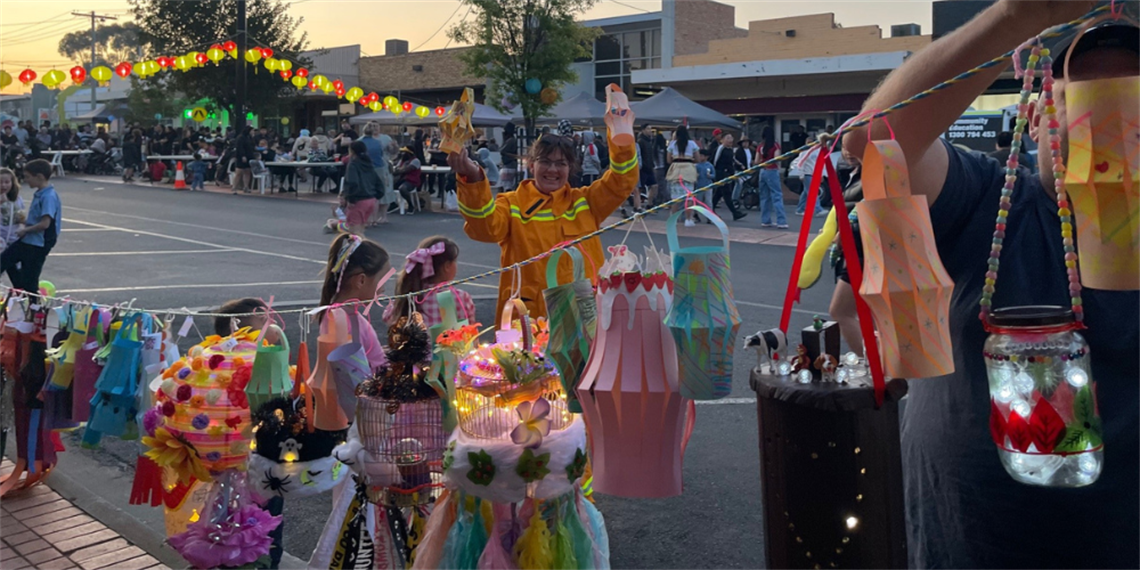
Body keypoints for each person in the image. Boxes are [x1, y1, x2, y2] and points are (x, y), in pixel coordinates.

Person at [841, 3, 1139, 568]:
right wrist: (1019, 16)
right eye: (1086, 103)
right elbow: (878, 141)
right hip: (970, 546)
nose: (1110, 131)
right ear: (1037, 117)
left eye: (1131, 102)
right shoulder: (989, 200)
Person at [449, 120, 639, 318]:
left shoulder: (587, 202)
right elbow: (484, 228)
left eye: (561, 164)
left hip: (584, 317)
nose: (552, 170)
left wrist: (621, 132)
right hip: (530, 318)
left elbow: (622, 180)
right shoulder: (512, 204)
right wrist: (472, 179)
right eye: (545, 162)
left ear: (570, 168)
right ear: (532, 165)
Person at [318, 233, 391, 371]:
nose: (383, 288)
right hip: (368, 390)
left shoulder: (340, 315)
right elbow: (349, 373)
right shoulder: (343, 321)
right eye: (382, 280)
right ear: (361, 280)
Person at [383, 236, 476, 328]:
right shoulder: (460, 297)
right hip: (452, 342)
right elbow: (470, 329)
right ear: (447, 266)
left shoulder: (410, 295)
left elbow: (388, 317)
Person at [0, 159, 60, 292]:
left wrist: (25, 230)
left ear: (39, 177)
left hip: (37, 243)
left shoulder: (48, 196)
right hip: (28, 241)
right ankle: (26, 303)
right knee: (7, 263)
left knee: (29, 280)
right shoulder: (40, 194)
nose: (26, 180)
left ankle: (34, 308)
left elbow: (45, 223)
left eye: (27, 177)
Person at [340, 141, 382, 236]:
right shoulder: (369, 164)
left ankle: (359, 249)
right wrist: (377, 195)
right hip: (370, 199)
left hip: (358, 199)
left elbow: (353, 182)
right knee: (361, 228)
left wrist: (350, 198)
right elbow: (378, 182)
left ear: (352, 151)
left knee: (354, 231)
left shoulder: (353, 164)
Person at [790, 133, 835, 217]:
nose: (809, 143)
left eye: (811, 142)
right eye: (807, 142)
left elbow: (821, 163)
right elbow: (801, 163)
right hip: (807, 174)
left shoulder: (817, 151)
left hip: (814, 174)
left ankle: (800, 209)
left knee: (805, 193)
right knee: (812, 192)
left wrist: (822, 174)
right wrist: (801, 175)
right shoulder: (804, 152)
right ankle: (818, 209)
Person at [665, 125, 700, 225]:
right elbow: (697, 159)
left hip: (676, 168)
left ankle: (674, 219)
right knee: (689, 196)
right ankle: (688, 219)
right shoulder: (692, 143)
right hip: (688, 168)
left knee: (675, 197)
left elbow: (668, 160)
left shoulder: (672, 144)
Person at [756, 126, 787, 228]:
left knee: (764, 197)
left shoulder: (760, 146)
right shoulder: (775, 145)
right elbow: (777, 158)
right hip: (772, 171)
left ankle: (765, 220)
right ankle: (781, 221)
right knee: (777, 195)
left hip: (762, 171)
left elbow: (756, 161)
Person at [711, 133, 747, 221]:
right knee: (727, 193)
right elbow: (715, 160)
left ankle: (710, 209)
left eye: (731, 137)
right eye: (728, 138)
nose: (730, 139)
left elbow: (733, 159)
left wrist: (740, 165)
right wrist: (715, 172)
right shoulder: (720, 149)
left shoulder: (730, 150)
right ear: (722, 140)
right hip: (721, 173)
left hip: (728, 174)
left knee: (718, 194)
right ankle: (735, 212)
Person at [0, 168, 25, 254]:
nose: (3, 185)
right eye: (0, 182)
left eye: (7, 182)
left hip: (13, 238)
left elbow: (21, 217)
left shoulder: (17, 199)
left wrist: (22, 226)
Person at [392, 147, 422, 214]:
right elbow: (396, 168)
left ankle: (411, 205)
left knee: (402, 188)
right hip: (401, 180)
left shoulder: (415, 161)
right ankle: (393, 204)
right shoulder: (402, 160)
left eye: (404, 152)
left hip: (411, 181)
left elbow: (405, 170)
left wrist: (397, 170)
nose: (402, 154)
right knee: (387, 186)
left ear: (410, 153)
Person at [637, 125, 659, 206]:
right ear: (643, 130)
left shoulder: (649, 141)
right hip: (643, 168)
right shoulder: (640, 141)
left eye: (650, 129)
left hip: (649, 167)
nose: (650, 130)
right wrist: (642, 165)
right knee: (639, 188)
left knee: (654, 185)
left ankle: (649, 204)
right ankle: (637, 205)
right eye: (648, 129)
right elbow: (640, 155)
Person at [232, 125, 255, 193]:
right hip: (241, 156)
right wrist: (242, 155)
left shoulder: (250, 137)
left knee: (247, 172)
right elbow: (240, 147)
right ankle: (235, 187)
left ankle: (246, 186)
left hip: (249, 156)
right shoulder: (241, 138)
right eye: (252, 130)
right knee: (239, 172)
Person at [499, 124, 520, 192]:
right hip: (511, 164)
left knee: (507, 185)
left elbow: (502, 150)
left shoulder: (510, 140)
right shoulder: (512, 140)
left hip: (509, 165)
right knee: (509, 184)